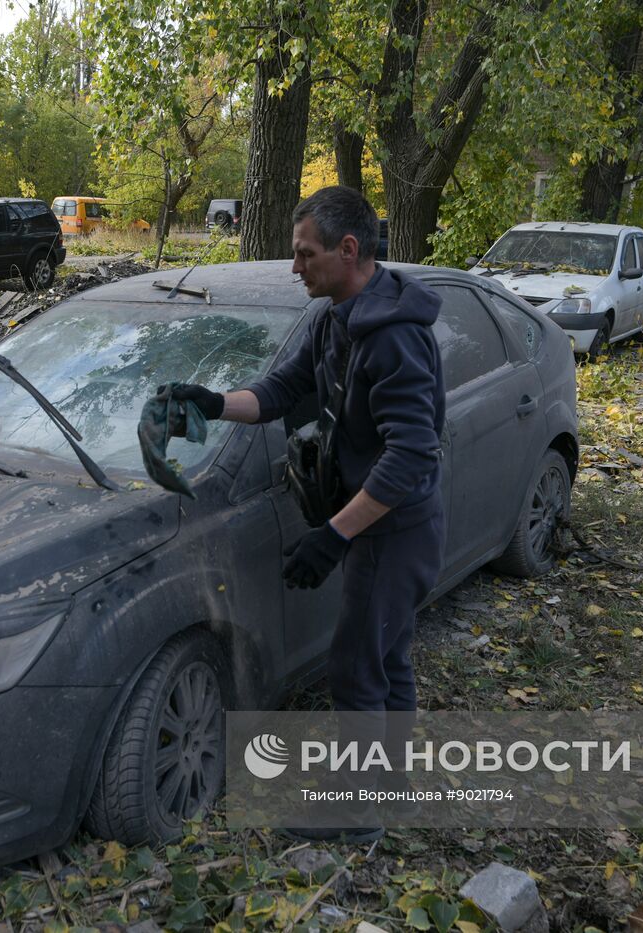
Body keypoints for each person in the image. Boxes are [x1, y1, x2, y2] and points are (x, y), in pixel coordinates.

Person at [168, 185, 446, 840]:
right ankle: (392, 786)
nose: (295, 267)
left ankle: (355, 810)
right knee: (388, 659)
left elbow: (409, 458)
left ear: (348, 251)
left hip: (395, 526)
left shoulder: (395, 342)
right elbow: (278, 391)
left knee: (355, 665)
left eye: (305, 254)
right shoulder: (335, 319)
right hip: (375, 521)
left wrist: (333, 535)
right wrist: (211, 402)